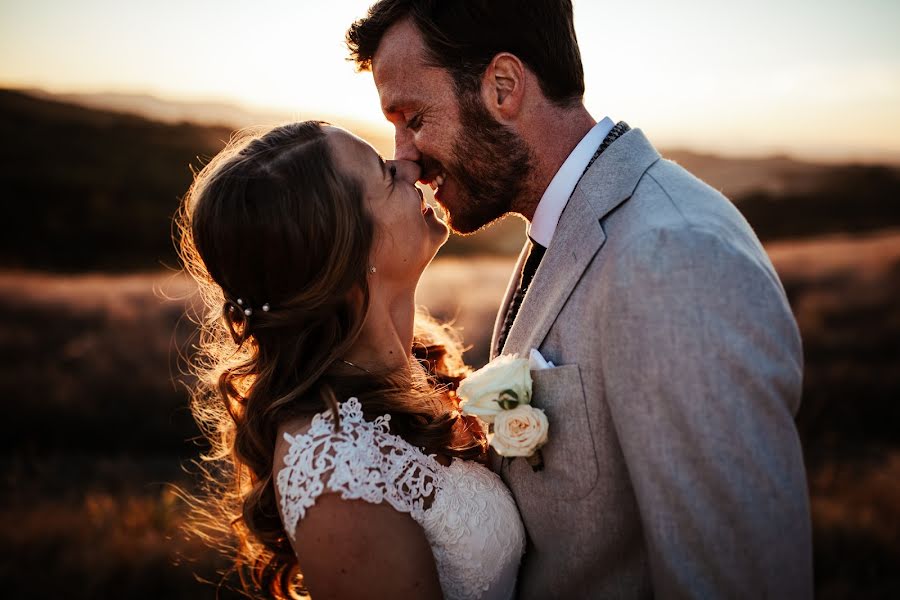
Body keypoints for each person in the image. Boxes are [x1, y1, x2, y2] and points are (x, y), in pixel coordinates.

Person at [346, 1, 813, 598]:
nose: (403, 155)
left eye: (413, 117)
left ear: (504, 87)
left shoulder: (675, 259)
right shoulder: (563, 225)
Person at [177, 121, 525, 599]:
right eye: (385, 173)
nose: (410, 165)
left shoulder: (414, 367)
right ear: (352, 251)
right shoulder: (334, 467)